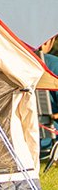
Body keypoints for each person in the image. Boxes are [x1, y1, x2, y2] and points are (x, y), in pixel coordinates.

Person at [38, 36, 58, 171]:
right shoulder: (53, 65)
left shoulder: (13, 63)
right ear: (47, 40)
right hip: (47, 139)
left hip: (18, 139)